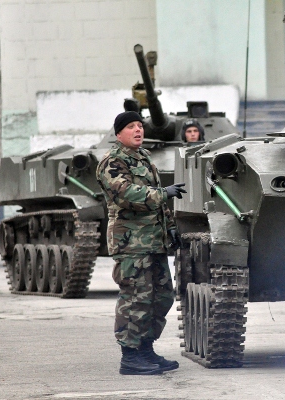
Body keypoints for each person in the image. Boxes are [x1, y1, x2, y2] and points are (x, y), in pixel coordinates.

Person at [96, 111, 187, 375]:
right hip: (131, 243)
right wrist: (163, 193)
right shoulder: (112, 162)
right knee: (136, 298)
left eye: (140, 125)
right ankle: (130, 356)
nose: (138, 130)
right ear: (118, 133)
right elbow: (125, 194)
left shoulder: (144, 157)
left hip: (153, 241)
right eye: (131, 127)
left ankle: (145, 349)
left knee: (160, 297)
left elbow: (159, 205)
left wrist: (171, 228)